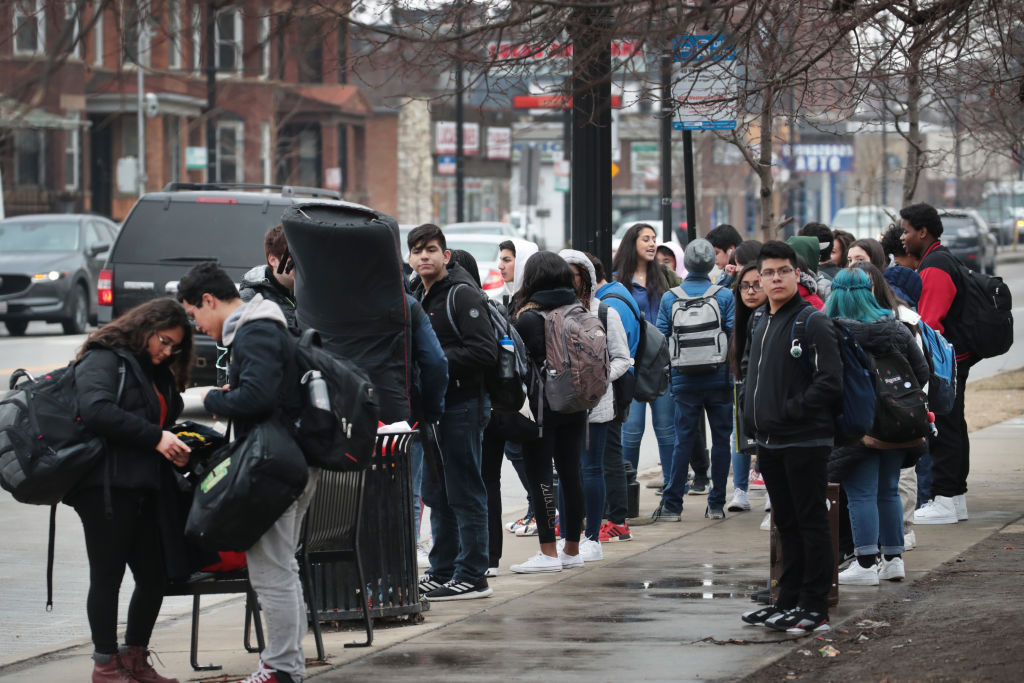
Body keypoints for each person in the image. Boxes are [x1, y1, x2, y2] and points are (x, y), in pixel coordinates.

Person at [178, 262, 317, 683]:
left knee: (270, 573)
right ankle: (285, 664)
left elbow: (256, 397)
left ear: (209, 300)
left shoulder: (254, 330)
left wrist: (214, 400)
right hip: (294, 460)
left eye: (193, 314)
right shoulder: (264, 324)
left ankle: (280, 668)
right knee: (282, 569)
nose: (196, 325)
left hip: (277, 466)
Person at [70, 298, 193, 683]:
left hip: (144, 485)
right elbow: (95, 410)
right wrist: (156, 437)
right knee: (107, 576)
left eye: (175, 346)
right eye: (164, 341)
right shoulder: (104, 358)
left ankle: (135, 658)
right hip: (105, 486)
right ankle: (105, 665)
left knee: (154, 575)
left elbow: (159, 418)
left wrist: (171, 443)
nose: (168, 351)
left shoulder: (151, 369)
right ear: (146, 327)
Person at [739, 241, 842, 635]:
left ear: (797, 275)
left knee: (811, 521)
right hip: (769, 442)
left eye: (783, 271)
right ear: (760, 279)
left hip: (805, 440)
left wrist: (789, 410)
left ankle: (815, 606)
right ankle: (788, 599)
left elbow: (831, 383)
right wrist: (754, 415)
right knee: (787, 523)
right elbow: (751, 372)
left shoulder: (811, 320)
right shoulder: (760, 321)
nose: (775, 278)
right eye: (768, 273)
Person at [408, 224, 498, 600]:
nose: (424, 256)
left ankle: (473, 574)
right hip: (432, 410)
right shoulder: (415, 294)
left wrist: (435, 362)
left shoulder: (461, 295)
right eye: (417, 250)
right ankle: (443, 569)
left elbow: (484, 351)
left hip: (463, 405)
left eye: (431, 249)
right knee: (436, 491)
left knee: (464, 490)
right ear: (410, 259)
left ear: (446, 256)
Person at [826, 269, 930, 586]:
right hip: (898, 423)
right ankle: (894, 560)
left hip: (859, 427)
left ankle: (866, 563)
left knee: (860, 494)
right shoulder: (895, 328)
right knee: (888, 491)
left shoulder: (833, 330)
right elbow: (922, 373)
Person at [508, 252, 589, 573]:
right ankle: (572, 549)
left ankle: (547, 553)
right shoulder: (578, 311)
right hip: (576, 403)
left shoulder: (529, 318)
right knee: (572, 473)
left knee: (541, 475)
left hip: (541, 409)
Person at [900, 203, 972, 525]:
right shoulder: (940, 258)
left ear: (922, 232)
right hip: (953, 359)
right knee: (952, 425)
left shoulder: (935, 266)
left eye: (906, 231)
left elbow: (929, 324)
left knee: (944, 427)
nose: (903, 237)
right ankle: (953, 499)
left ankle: (945, 497)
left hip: (945, 364)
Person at [654, 239, 735, 521]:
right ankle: (716, 505)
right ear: (712, 263)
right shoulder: (723, 296)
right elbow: (733, 334)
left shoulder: (670, 297)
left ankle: (673, 505)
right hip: (718, 377)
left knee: (683, 440)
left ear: (685, 263)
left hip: (684, 379)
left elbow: (661, 336)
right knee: (722, 440)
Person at [559, 249, 631, 561]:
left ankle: (592, 538)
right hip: (561, 404)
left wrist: (599, 380)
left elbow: (623, 358)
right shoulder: (553, 313)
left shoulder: (605, 313)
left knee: (591, 469)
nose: (568, 281)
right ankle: (567, 537)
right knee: (564, 471)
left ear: (585, 278)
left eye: (573, 275)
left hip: (597, 404)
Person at [611, 223, 683, 494]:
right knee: (631, 432)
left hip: (662, 363)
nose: (652, 244)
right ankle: (625, 491)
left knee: (666, 431)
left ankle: (673, 490)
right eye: (646, 239)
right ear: (633, 244)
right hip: (631, 363)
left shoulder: (665, 276)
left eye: (654, 239)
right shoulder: (618, 279)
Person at [591, 253, 641, 542]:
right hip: (617, 386)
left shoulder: (609, 304)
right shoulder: (618, 294)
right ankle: (616, 518)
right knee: (609, 453)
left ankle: (618, 520)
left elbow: (621, 354)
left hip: (612, 390)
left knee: (610, 455)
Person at [726, 263, 767, 514]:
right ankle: (740, 490)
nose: (750, 291)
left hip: (766, 388)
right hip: (743, 384)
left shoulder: (766, 316)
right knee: (739, 435)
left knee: (766, 439)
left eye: (756, 285)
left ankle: (771, 492)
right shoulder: (742, 316)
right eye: (745, 286)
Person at [239, 224, 299, 337]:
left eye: (301, 257)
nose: (299, 264)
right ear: (272, 260)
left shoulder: (310, 296)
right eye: (292, 258)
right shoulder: (251, 298)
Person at [787, 235, 832, 300]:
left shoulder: (782, 285)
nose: (818, 262)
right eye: (817, 256)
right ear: (808, 256)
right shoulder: (824, 285)